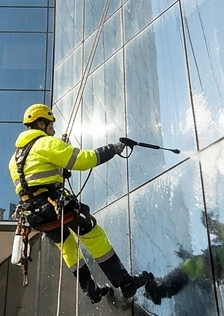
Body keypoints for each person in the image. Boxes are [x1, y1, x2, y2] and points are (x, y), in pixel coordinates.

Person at [10, 104, 155, 303]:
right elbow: (84, 160)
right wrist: (112, 149)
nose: (53, 129)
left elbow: (34, 182)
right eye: (50, 125)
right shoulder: (44, 144)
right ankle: (125, 282)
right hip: (56, 209)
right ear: (41, 123)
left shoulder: (15, 158)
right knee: (93, 234)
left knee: (67, 246)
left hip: (35, 217)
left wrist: (60, 170)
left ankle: (91, 291)